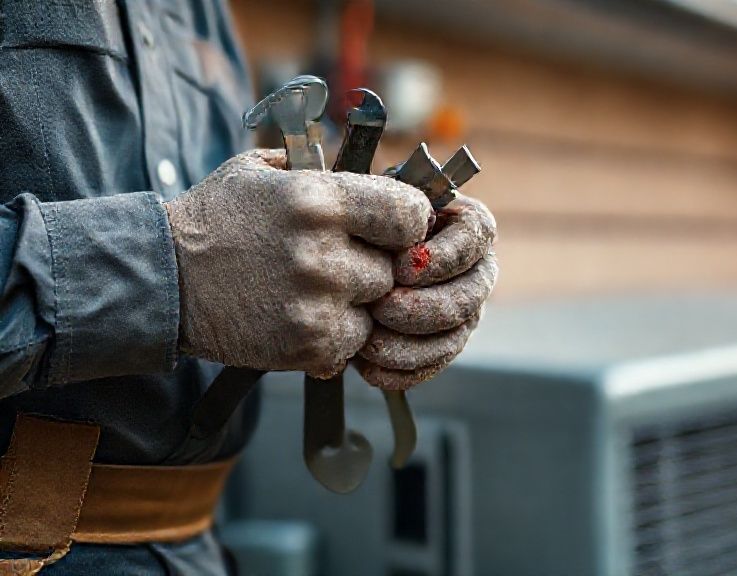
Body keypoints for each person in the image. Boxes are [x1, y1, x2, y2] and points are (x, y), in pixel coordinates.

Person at [0, 1, 496, 574]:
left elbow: (256, 250)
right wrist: (173, 272)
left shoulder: (204, 15)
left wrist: (358, 269)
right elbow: (201, 259)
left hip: (202, 547)